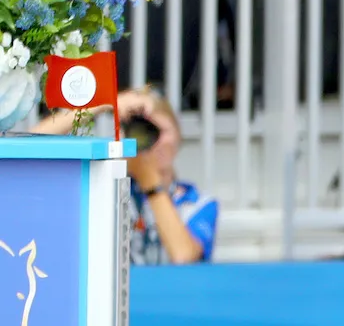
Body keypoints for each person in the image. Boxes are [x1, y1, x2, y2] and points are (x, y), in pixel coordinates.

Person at [33, 88, 218, 265]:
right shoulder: (106, 191)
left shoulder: (197, 203)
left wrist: (151, 184)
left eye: (162, 131)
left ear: (178, 133)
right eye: (144, 133)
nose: (156, 142)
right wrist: (103, 103)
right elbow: (29, 146)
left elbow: (184, 257)